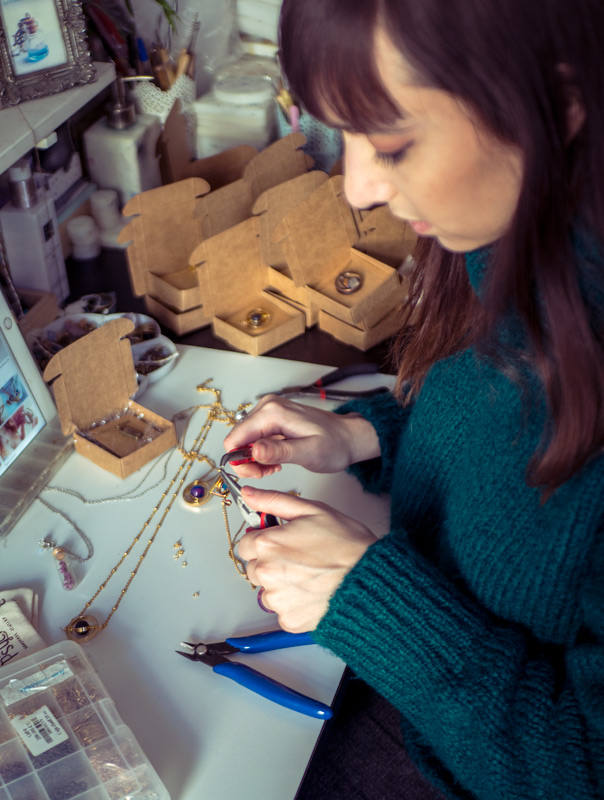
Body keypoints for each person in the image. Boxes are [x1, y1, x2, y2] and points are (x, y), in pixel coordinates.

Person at [223, 1, 604, 798]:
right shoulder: (516, 237)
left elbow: (583, 768)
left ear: (563, 102)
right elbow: (511, 437)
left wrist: (366, 597)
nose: (358, 188)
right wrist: (367, 438)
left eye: (392, 143)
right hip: (431, 692)